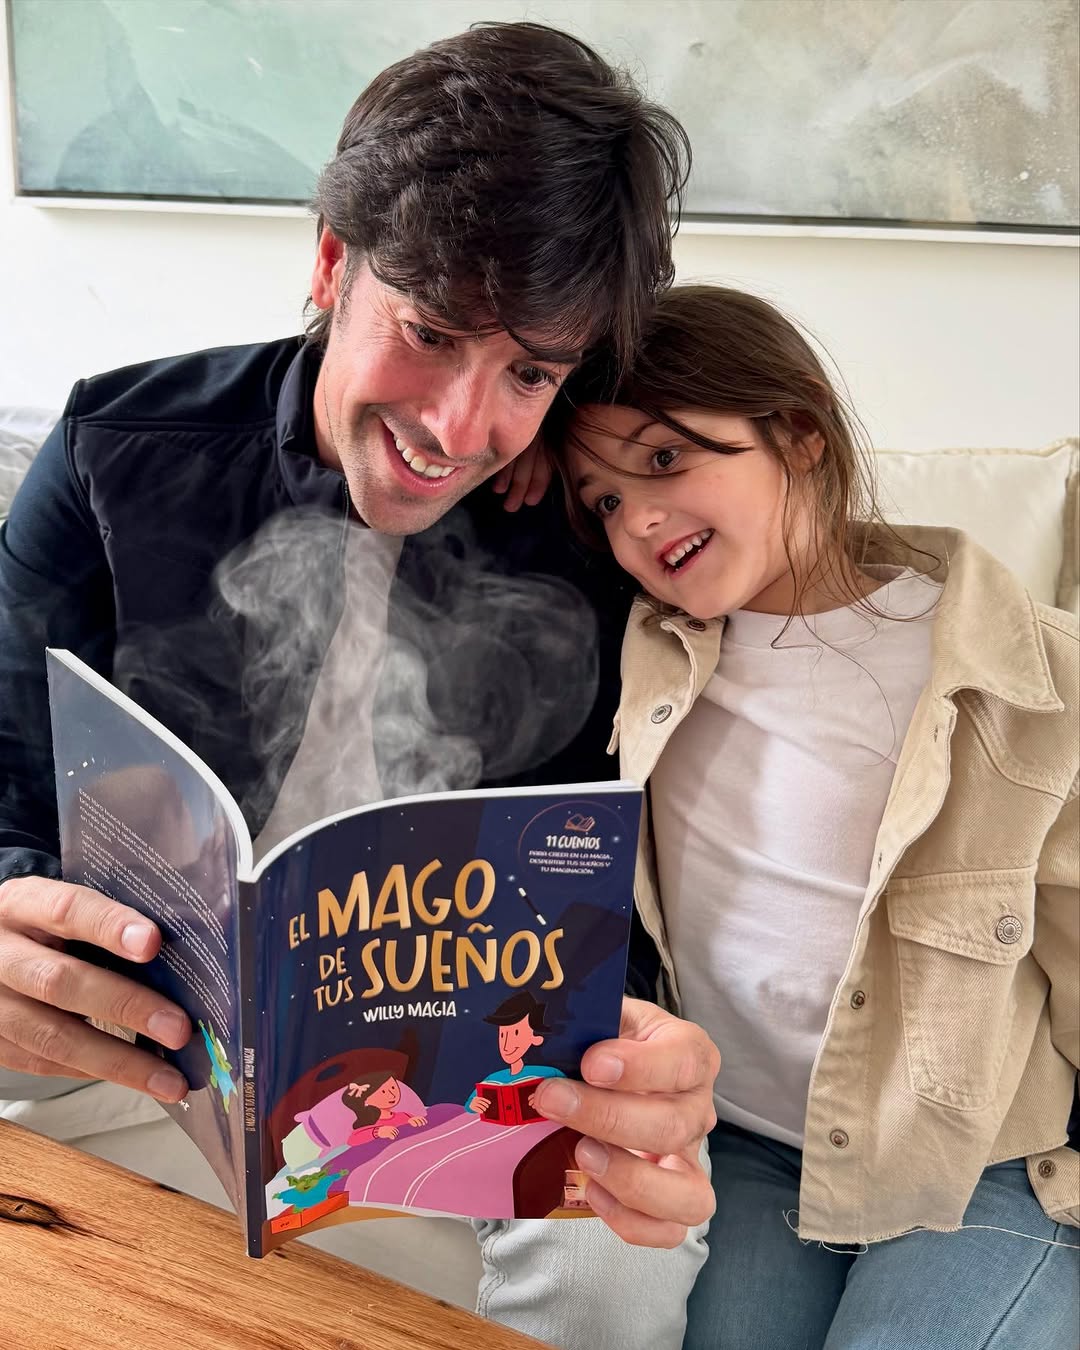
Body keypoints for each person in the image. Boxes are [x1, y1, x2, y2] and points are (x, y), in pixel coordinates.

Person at [0, 25, 718, 1350]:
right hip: (145, 1041)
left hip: (463, 1067)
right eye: (430, 332)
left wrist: (645, 1053)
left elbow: (609, 867)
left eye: (529, 372)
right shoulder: (114, 456)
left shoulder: (586, 518)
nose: (457, 426)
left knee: (620, 1259)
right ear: (333, 262)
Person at [548, 284, 1079, 1348]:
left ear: (798, 433)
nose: (637, 519)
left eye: (664, 460)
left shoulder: (1030, 676)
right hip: (745, 1150)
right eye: (602, 501)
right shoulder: (634, 650)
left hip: (972, 1169)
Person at [466, 991, 565, 1115]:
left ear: (536, 1038)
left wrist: (546, 1099)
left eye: (516, 1033)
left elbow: (566, 1095)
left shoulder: (549, 1073)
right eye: (502, 1035)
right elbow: (470, 1104)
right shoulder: (492, 1079)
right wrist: (473, 1104)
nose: (506, 1045)